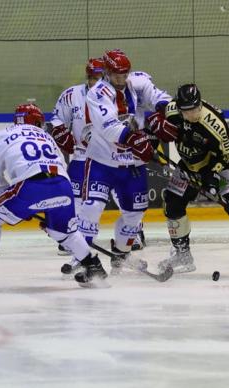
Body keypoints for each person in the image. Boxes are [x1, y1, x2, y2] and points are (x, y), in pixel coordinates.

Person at [0, 103, 107, 291]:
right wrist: (45, 207)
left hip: (31, 185)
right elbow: (61, 168)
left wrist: (21, 206)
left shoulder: (2, 135)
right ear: (38, 122)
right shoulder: (47, 137)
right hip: (63, 185)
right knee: (64, 231)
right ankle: (94, 267)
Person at [146, 83, 229, 274]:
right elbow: (153, 124)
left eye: (195, 109)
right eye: (187, 111)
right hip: (189, 166)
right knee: (172, 203)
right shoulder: (172, 111)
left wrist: (211, 177)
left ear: (200, 104)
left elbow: (227, 156)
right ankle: (182, 254)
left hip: (219, 167)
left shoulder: (214, 124)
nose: (192, 114)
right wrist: (150, 143)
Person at [81, 49, 172, 271]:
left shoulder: (138, 81)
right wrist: (136, 140)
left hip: (132, 164)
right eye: (116, 76)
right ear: (107, 73)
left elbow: (159, 97)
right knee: (92, 207)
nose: (121, 80)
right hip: (102, 161)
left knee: (134, 215)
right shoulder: (97, 93)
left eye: (124, 75)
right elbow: (109, 127)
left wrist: (169, 112)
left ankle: (121, 255)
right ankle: (82, 260)